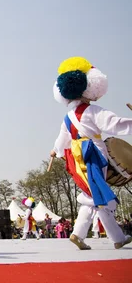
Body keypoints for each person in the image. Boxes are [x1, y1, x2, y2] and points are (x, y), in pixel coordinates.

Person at [50, 57, 132, 250]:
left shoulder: (68, 116)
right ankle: (117, 238)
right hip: (94, 154)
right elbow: (114, 124)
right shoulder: (93, 111)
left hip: (77, 158)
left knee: (92, 196)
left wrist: (55, 150)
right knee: (99, 198)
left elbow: (63, 139)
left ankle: (80, 234)